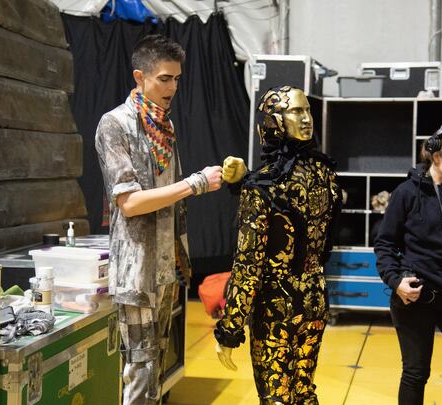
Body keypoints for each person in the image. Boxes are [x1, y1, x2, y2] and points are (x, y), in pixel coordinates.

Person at [95, 34, 241, 405]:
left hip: (167, 269)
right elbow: (128, 203)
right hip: (138, 272)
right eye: (164, 78)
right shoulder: (115, 125)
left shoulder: (164, 126)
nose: (172, 87)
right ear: (139, 76)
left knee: (158, 371)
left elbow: (169, 200)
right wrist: (194, 184)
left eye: (177, 79)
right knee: (141, 374)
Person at [214, 86, 341, 404]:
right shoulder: (325, 173)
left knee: (277, 398)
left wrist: (230, 329)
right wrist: (245, 183)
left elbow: (248, 265)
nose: (306, 117)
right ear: (275, 121)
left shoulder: (263, 186)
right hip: (315, 300)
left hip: (276, 310)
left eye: (307, 110)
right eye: (297, 111)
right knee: (304, 392)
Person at [374, 120, 442, 405]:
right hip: (417, 299)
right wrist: (396, 281)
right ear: (437, 157)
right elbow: (384, 244)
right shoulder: (406, 193)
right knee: (415, 373)